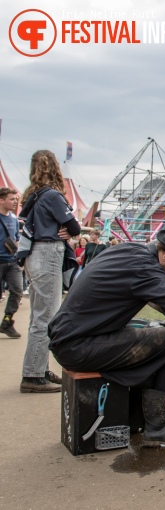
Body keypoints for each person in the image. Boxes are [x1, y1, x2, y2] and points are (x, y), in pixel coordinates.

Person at [48, 220, 165, 446]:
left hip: (71, 339)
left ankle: (139, 417)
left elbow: (159, 301)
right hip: (79, 347)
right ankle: (160, 427)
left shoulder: (130, 252)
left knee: (155, 330)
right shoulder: (143, 268)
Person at [19, 150, 81, 393]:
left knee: (38, 316)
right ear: (55, 168)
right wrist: (68, 231)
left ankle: (38, 367)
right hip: (48, 253)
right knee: (46, 317)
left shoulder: (31, 195)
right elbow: (74, 226)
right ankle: (33, 375)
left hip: (33, 253)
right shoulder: (53, 195)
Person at [0, 188, 23, 339]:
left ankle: (7, 322)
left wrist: (18, 257)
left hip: (11, 262)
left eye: (16, 199)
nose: (15, 202)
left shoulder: (14, 219)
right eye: (12, 199)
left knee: (17, 291)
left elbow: (16, 239)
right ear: (1, 200)